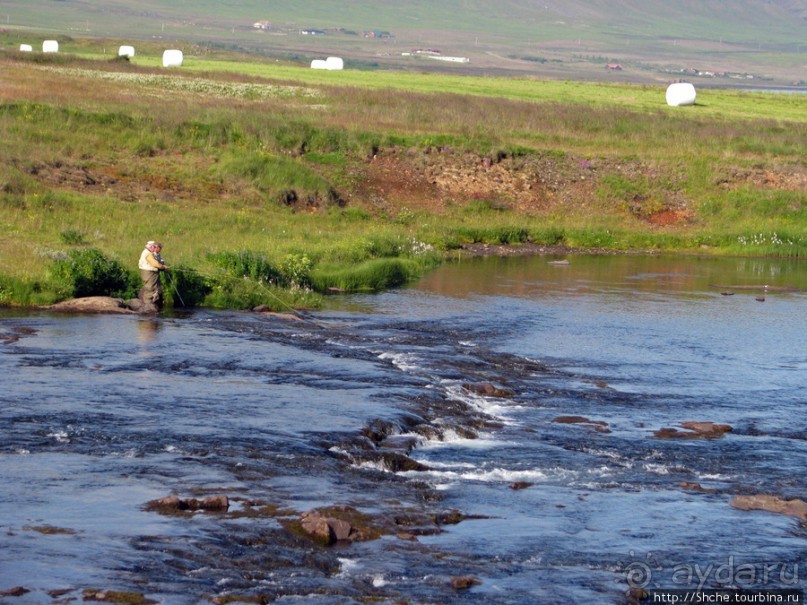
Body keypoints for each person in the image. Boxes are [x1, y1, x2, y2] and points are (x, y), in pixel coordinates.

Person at [138, 241, 169, 307]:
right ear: (151, 247)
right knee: (150, 289)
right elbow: (154, 263)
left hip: (150, 272)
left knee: (154, 288)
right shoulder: (148, 254)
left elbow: (158, 262)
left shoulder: (148, 252)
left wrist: (162, 266)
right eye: (154, 247)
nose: (155, 248)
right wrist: (163, 267)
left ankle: (152, 304)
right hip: (149, 273)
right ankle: (148, 306)